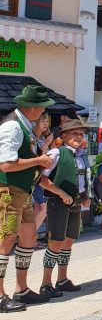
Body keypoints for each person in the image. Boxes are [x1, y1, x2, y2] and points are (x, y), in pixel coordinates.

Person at [0, 86, 56, 310]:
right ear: (34, 107)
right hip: (8, 192)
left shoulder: (25, 125)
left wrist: (40, 156)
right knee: (5, 240)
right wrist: (39, 161)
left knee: (29, 237)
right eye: (43, 107)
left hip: (22, 192)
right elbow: (6, 164)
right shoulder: (13, 126)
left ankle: (21, 289)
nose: (44, 112)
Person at [37, 119, 92, 298]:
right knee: (56, 242)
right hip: (58, 203)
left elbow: (81, 179)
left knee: (68, 241)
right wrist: (61, 193)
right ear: (64, 135)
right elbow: (41, 179)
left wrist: (85, 196)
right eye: (75, 133)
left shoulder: (80, 155)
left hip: (75, 202)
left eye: (81, 134)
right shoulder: (56, 153)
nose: (79, 136)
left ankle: (62, 279)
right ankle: (45, 283)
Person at [31, 113, 54, 249]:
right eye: (43, 121)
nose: (46, 124)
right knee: (42, 207)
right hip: (32, 178)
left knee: (38, 208)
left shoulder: (42, 138)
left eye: (47, 121)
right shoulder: (32, 138)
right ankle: (29, 238)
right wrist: (45, 146)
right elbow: (36, 159)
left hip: (40, 177)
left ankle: (31, 239)